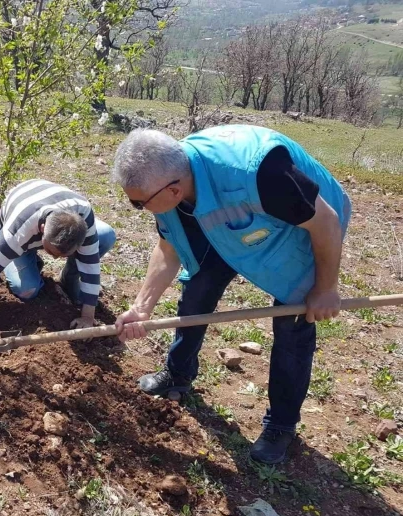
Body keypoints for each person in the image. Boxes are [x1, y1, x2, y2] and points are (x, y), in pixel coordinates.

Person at [111, 125, 351, 464]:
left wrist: (325, 288)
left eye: (139, 204)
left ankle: (280, 426)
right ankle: (178, 373)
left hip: (302, 228)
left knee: (293, 321)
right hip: (229, 224)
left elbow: (325, 221)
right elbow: (168, 248)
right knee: (197, 288)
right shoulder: (170, 184)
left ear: (175, 190)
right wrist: (141, 307)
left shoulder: (262, 174)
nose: (137, 208)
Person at [0, 179, 116, 336]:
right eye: (52, 252)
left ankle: (69, 279)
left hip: (58, 208)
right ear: (42, 229)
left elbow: (90, 265)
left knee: (106, 235)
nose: (57, 259)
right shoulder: (16, 233)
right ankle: (30, 261)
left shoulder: (83, 214)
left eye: (63, 255)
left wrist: (87, 317)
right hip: (19, 220)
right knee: (27, 290)